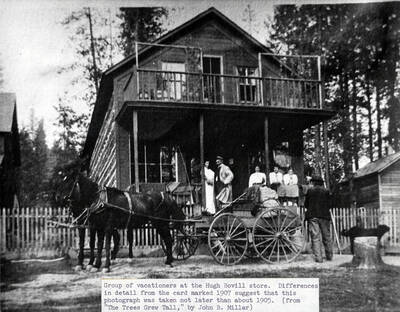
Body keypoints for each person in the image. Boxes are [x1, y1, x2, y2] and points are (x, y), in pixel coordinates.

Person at [304, 175, 333, 263]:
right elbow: (330, 204)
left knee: (315, 237)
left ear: (314, 182)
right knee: (326, 236)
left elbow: (306, 204)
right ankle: (329, 256)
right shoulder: (326, 191)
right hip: (324, 216)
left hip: (313, 216)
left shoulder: (310, 191)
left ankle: (319, 258)